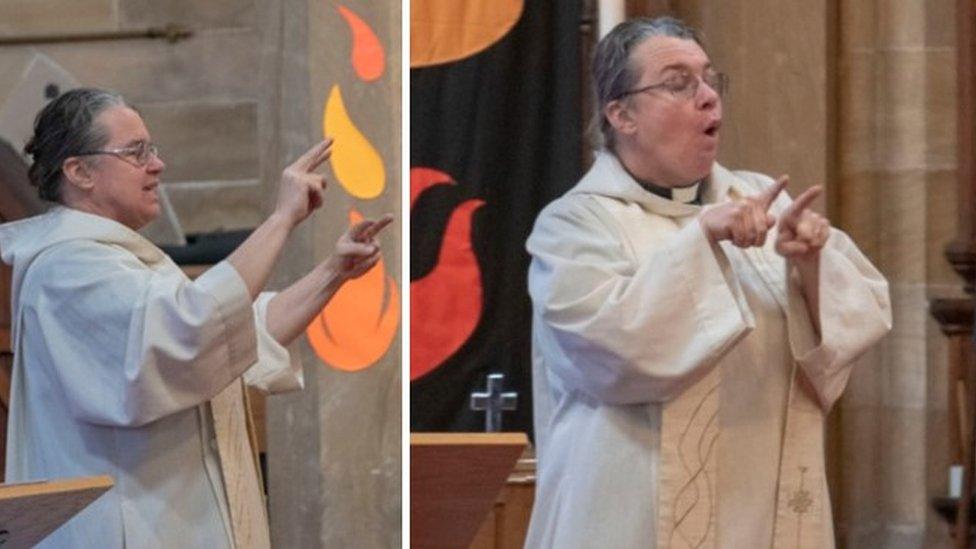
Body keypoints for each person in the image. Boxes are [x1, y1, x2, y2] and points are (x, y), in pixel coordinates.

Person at [524, 17, 891, 548]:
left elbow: (850, 337)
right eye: (677, 83)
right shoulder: (574, 225)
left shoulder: (761, 202)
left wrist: (811, 262)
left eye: (710, 80)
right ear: (621, 114)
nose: (706, 98)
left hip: (763, 514)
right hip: (630, 523)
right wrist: (700, 241)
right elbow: (613, 355)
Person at [0, 88, 393, 548]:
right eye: (136, 152)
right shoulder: (67, 269)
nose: (157, 164)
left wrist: (333, 273)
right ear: (80, 171)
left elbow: (234, 333)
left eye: (153, 149)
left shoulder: (120, 263)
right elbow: (190, 329)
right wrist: (281, 218)